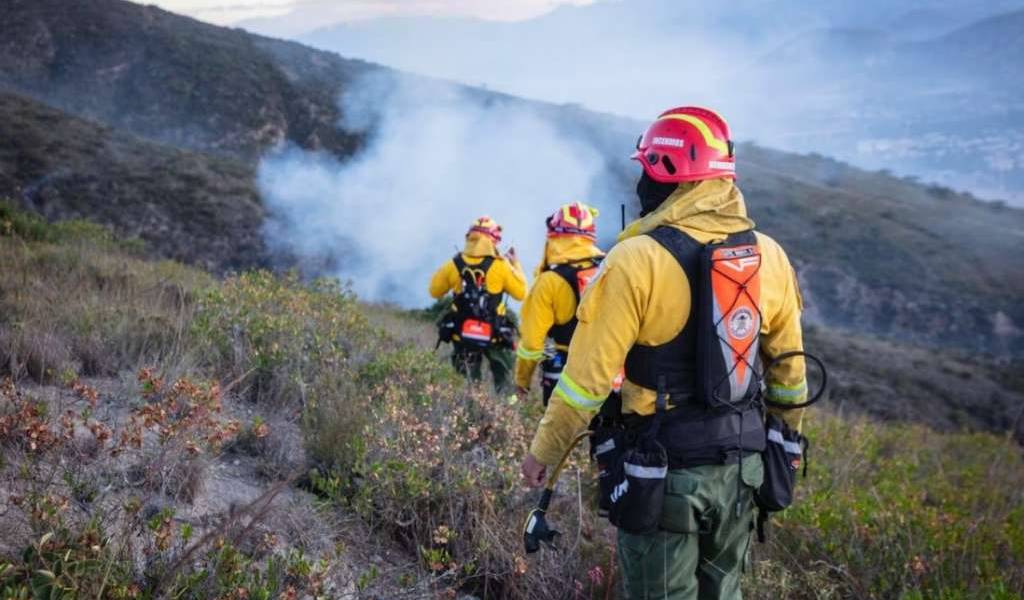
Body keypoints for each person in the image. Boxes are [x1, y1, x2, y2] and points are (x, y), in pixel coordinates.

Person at [520, 107, 808, 599]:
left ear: (665, 176)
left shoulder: (634, 261)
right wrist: (786, 446)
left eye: (645, 170)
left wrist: (543, 453)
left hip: (663, 472)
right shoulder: (769, 256)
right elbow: (789, 375)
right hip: (744, 465)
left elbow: (583, 385)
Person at [514, 202, 605, 405]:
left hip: (566, 380)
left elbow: (531, 345)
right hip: (612, 375)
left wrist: (522, 382)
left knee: (559, 437)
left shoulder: (549, 281)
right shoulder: (610, 267)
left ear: (553, 237)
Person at [430, 216, 527, 393]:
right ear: (493, 240)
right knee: (504, 381)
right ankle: (505, 416)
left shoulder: (455, 263)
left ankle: (468, 415)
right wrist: (515, 263)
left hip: (462, 335)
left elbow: (434, 291)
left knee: (467, 386)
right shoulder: (501, 266)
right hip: (495, 335)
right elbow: (521, 293)